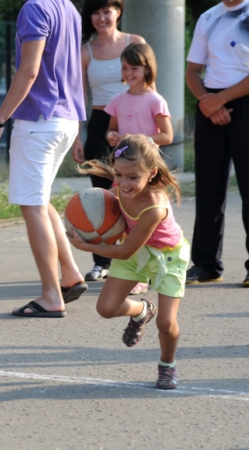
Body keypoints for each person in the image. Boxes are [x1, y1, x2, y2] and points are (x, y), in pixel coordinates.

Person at [0, 0, 88, 318]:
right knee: (40, 203)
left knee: (32, 207)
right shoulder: (68, 7)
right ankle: (69, 274)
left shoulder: (35, 7)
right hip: (66, 119)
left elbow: (29, 71)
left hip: (39, 121)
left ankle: (51, 295)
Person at [68, 134, 189, 390]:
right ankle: (142, 311)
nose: (124, 183)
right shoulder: (117, 191)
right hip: (136, 252)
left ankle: (167, 365)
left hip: (167, 256)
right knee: (106, 309)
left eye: (133, 177)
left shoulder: (154, 207)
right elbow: (100, 217)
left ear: (151, 172)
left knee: (166, 324)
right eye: (119, 175)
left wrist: (85, 245)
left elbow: (123, 252)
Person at [71, 0, 146, 284]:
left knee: (136, 197)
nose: (101, 17)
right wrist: (78, 136)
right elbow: (79, 96)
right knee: (103, 200)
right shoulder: (85, 52)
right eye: (95, 13)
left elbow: (149, 84)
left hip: (134, 122)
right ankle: (102, 261)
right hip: (101, 123)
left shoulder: (135, 42)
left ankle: (142, 259)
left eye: (107, 11)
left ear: (119, 11)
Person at [186, 0, 249, 287]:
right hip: (210, 104)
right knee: (208, 187)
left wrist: (220, 100)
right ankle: (206, 264)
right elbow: (192, 70)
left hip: (241, 101)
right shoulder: (208, 16)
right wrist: (207, 101)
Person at [104, 42, 173, 296]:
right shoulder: (117, 100)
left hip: (145, 172)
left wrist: (136, 138)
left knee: (150, 222)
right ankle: (129, 270)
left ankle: (154, 268)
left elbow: (167, 134)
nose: (129, 72)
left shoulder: (155, 100)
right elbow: (111, 129)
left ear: (147, 69)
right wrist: (113, 135)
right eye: (124, 67)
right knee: (122, 220)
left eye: (134, 67)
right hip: (124, 172)